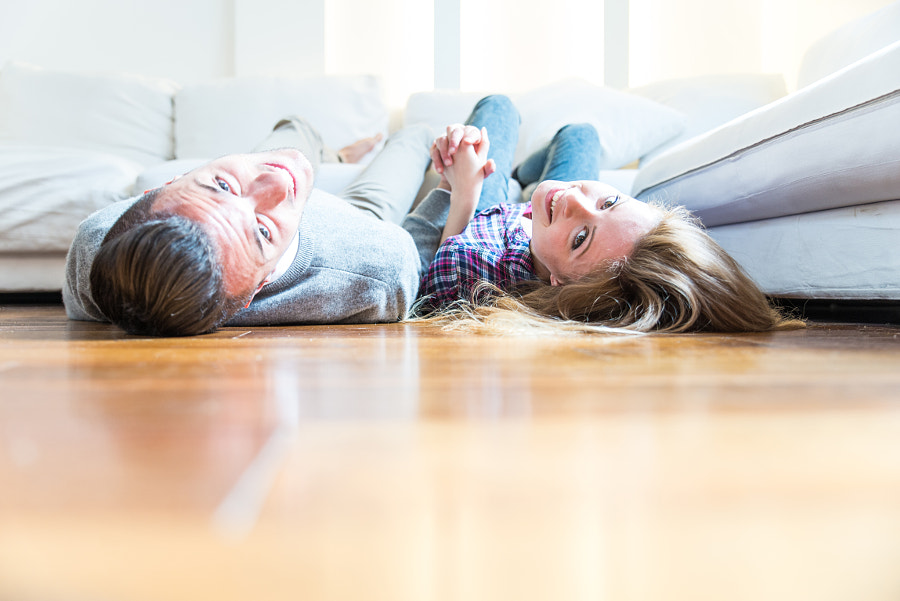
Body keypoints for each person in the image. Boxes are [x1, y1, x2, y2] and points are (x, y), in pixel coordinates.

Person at [401, 95, 801, 334]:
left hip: (485, 209)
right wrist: (573, 222)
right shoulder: (575, 206)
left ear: (558, 282)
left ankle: (510, 182)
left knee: (498, 106)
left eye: (581, 240)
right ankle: (525, 179)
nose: (578, 201)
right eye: (611, 202)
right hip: (540, 215)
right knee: (580, 133)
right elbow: (578, 208)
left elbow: (435, 256)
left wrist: (461, 187)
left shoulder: (473, 270)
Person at [63, 117, 433, 336]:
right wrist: (451, 190)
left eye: (222, 185)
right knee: (416, 136)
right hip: (358, 216)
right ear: (262, 282)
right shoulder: (377, 266)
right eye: (262, 232)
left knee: (295, 129)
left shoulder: (94, 248)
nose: (278, 184)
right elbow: (420, 255)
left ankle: (336, 156)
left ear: (166, 184)